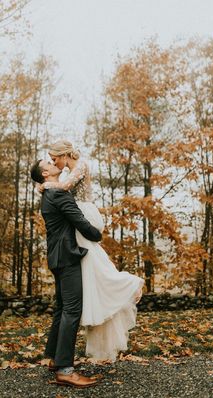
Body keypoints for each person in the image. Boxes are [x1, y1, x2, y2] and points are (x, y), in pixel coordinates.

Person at [39, 140, 144, 362]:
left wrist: (44, 184)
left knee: (91, 271)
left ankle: (129, 284)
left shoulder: (78, 168)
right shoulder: (57, 189)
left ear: (64, 154)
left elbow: (66, 187)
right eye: (50, 161)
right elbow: (64, 191)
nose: (54, 161)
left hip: (83, 216)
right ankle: (57, 361)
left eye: (54, 157)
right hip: (72, 237)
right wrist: (45, 184)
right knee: (91, 272)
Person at [30, 159, 102, 388]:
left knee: (62, 308)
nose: (54, 162)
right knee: (72, 309)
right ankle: (65, 370)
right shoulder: (58, 195)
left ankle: (53, 358)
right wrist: (97, 234)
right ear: (45, 172)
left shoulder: (48, 193)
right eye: (49, 163)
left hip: (56, 256)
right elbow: (79, 221)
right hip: (68, 256)